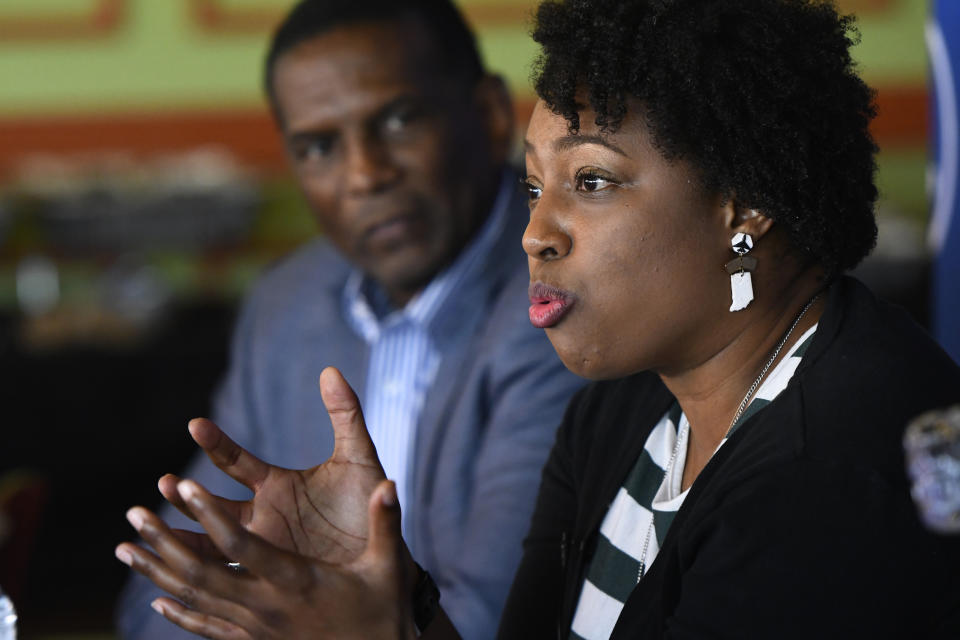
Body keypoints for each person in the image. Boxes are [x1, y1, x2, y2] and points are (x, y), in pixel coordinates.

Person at [114, 0, 960, 638]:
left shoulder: (830, 480)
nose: (534, 233)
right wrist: (388, 598)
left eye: (590, 183)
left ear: (747, 205)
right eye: (532, 186)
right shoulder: (627, 405)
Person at [113, 1, 584, 638]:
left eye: (398, 120)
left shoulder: (561, 290)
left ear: (490, 115)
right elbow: (168, 593)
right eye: (319, 147)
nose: (366, 175)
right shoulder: (286, 301)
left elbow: (499, 617)